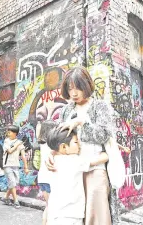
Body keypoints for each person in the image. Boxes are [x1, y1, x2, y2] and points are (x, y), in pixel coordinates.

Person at [47, 66, 114, 225]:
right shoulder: (66, 110)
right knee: (73, 216)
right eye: (70, 89)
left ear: (86, 86)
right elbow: (60, 138)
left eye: (78, 88)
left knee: (96, 216)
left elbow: (105, 134)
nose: (74, 93)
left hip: (95, 169)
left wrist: (82, 123)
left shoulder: (100, 107)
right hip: (71, 173)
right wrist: (53, 153)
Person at [46, 126, 108, 225]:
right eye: (76, 142)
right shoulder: (73, 160)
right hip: (71, 214)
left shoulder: (54, 160)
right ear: (63, 147)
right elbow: (100, 159)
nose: (79, 145)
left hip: (55, 212)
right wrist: (108, 151)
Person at [1, 125, 29, 208]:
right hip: (7, 165)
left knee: (14, 183)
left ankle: (6, 198)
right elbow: (9, 151)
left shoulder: (20, 143)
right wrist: (17, 145)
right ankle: (16, 201)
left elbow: (23, 156)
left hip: (15, 165)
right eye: (8, 132)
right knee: (12, 182)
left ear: (15, 133)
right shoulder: (6, 141)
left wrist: (26, 167)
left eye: (10, 132)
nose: (8, 133)